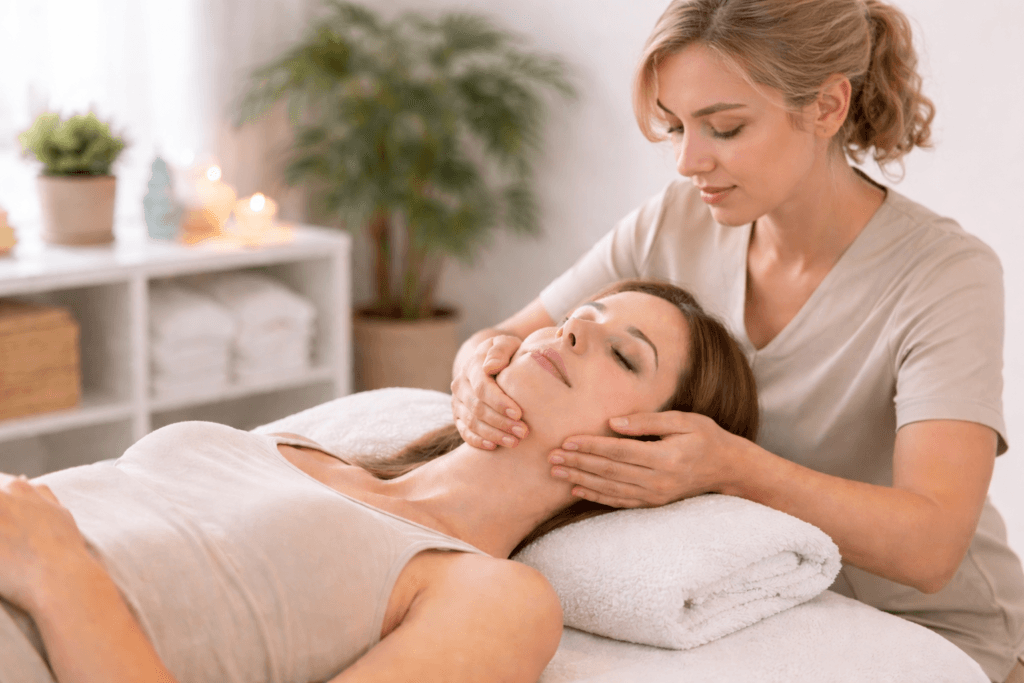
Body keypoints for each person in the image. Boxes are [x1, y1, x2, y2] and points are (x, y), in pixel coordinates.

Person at [450, 1, 1024, 681]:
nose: (690, 160)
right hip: (758, 600)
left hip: (936, 632)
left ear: (828, 106)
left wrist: (732, 466)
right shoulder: (675, 220)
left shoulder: (944, 275)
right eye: (676, 126)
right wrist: (474, 376)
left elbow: (932, 547)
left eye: (725, 127)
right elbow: (504, 338)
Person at [0, 280, 758, 683]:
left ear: (658, 450)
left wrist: (61, 575)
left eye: (623, 357)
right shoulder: (318, 449)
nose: (571, 329)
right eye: (580, 315)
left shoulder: (495, 597)